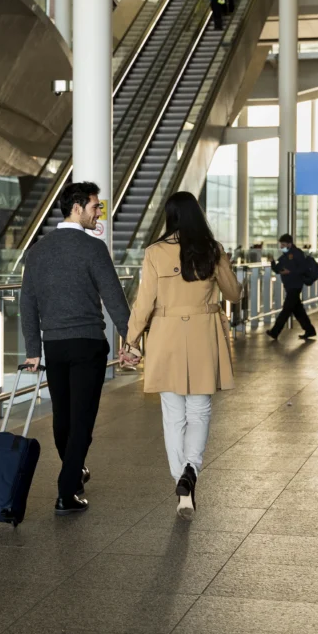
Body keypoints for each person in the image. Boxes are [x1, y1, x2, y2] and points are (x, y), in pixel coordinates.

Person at [120, 191, 242, 519]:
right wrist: (225, 265)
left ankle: (180, 480)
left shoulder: (155, 252)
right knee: (199, 410)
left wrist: (131, 341)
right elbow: (234, 294)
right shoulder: (212, 249)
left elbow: (144, 303)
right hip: (204, 333)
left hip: (166, 335)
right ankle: (191, 471)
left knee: (173, 413)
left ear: (170, 216)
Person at [20, 181, 130, 515]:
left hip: (54, 346)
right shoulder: (92, 248)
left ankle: (74, 468)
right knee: (82, 419)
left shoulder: (37, 250)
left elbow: (28, 301)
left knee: (63, 417)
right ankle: (67, 493)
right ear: (78, 207)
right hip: (87, 344)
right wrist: (133, 339)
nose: (99, 212)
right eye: (96, 206)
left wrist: (33, 349)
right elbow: (114, 298)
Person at [266, 234, 317, 341]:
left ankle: (275, 332)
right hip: (289, 286)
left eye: (283, 244)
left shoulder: (297, 253)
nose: (281, 247)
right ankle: (310, 330)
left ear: (290, 244)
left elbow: (303, 268)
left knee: (286, 310)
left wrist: (290, 271)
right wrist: (272, 262)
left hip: (295, 285)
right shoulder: (285, 256)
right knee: (298, 310)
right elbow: (277, 270)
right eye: (281, 245)